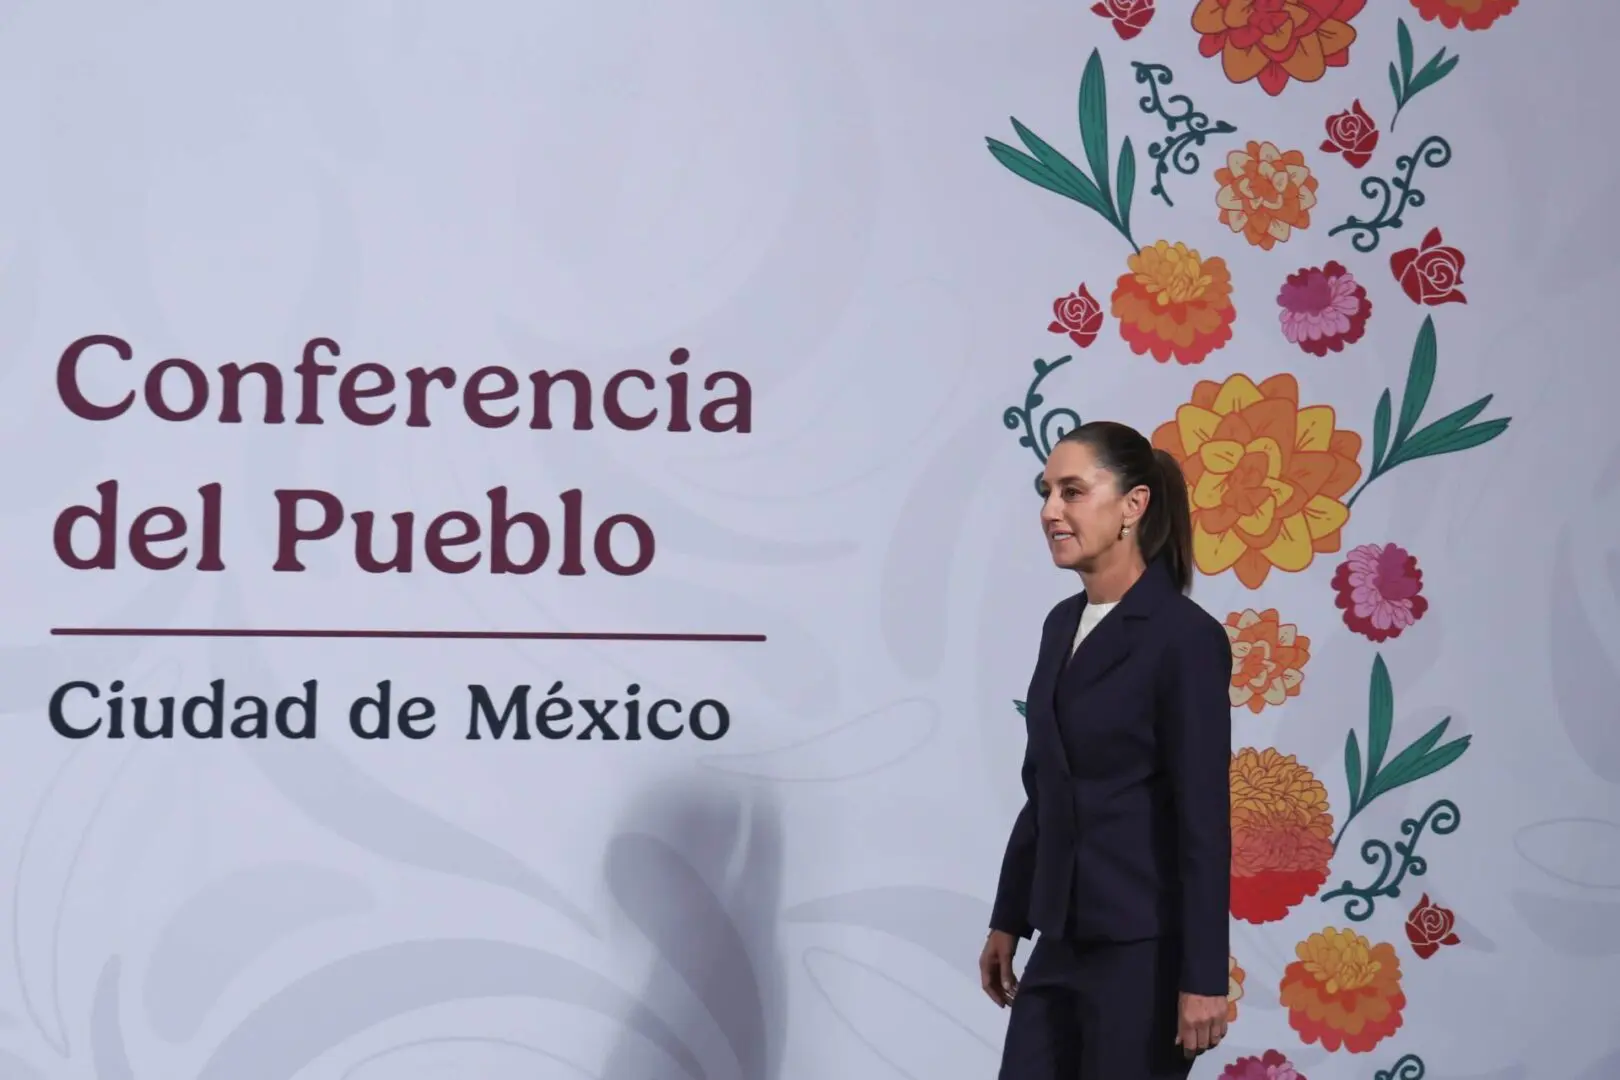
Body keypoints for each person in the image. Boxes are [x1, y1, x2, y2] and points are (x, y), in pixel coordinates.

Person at [978, 420, 1233, 1079]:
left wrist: (1204, 977)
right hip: (1059, 940)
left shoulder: (1184, 638)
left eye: (1071, 491)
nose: (1050, 511)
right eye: (1045, 492)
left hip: (1143, 954)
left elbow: (1203, 820)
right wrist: (1010, 918)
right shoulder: (1060, 624)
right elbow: (1047, 789)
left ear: (1133, 505)